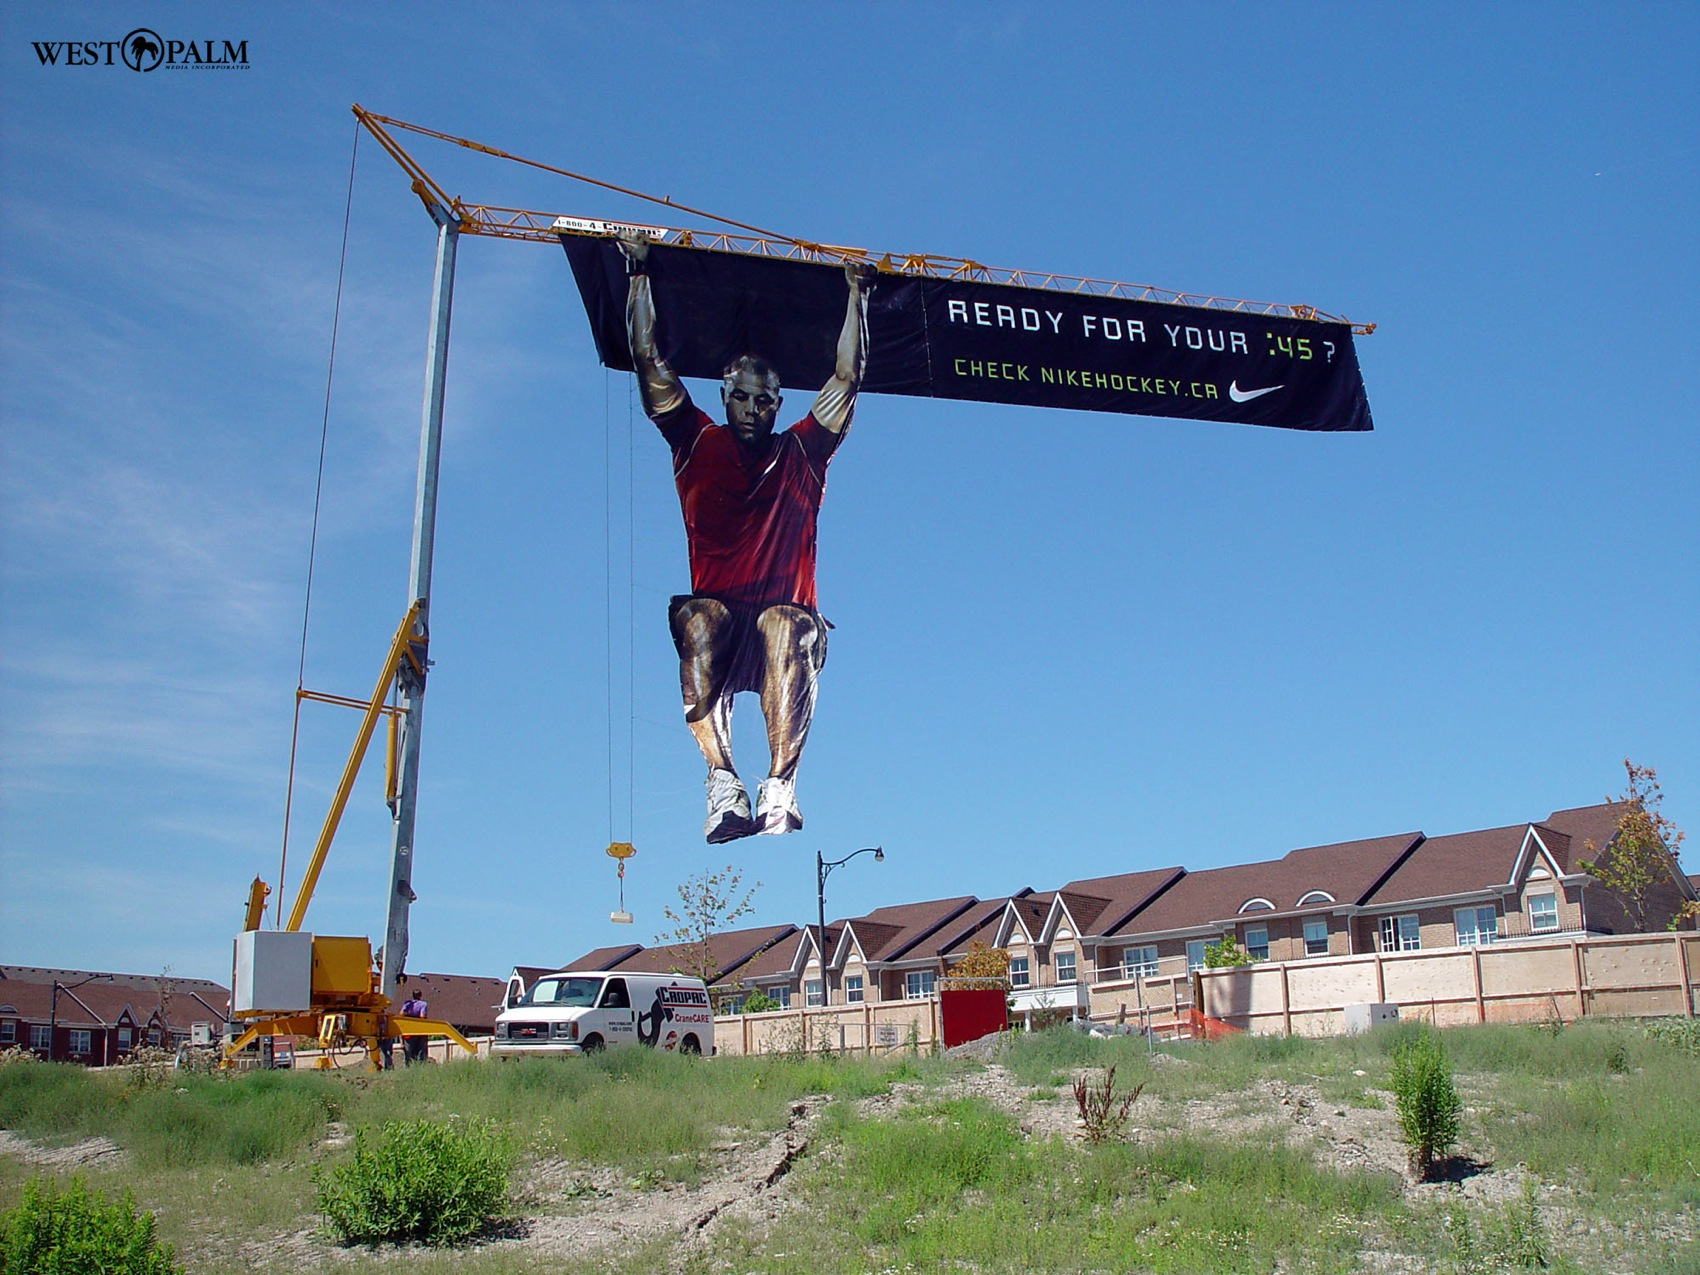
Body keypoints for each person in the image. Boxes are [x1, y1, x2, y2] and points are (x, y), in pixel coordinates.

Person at [620, 234, 872, 843]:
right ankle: (722, 781)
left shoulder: (803, 452)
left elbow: (847, 376)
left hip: (780, 634)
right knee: (699, 618)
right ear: (724, 396)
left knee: (788, 622)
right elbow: (648, 360)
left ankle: (780, 785)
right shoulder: (696, 442)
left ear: (779, 404)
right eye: (742, 396)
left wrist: (856, 296)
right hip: (725, 629)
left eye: (765, 401)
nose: (753, 408)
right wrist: (636, 275)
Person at [400, 988, 429, 1065]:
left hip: (408, 1029)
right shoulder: (423, 1004)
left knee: (408, 1050)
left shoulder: (407, 1003)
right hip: (420, 1030)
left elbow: (401, 1014)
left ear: (412, 996)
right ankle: (421, 1066)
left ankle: (407, 1066)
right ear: (420, 996)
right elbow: (422, 1016)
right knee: (421, 1050)